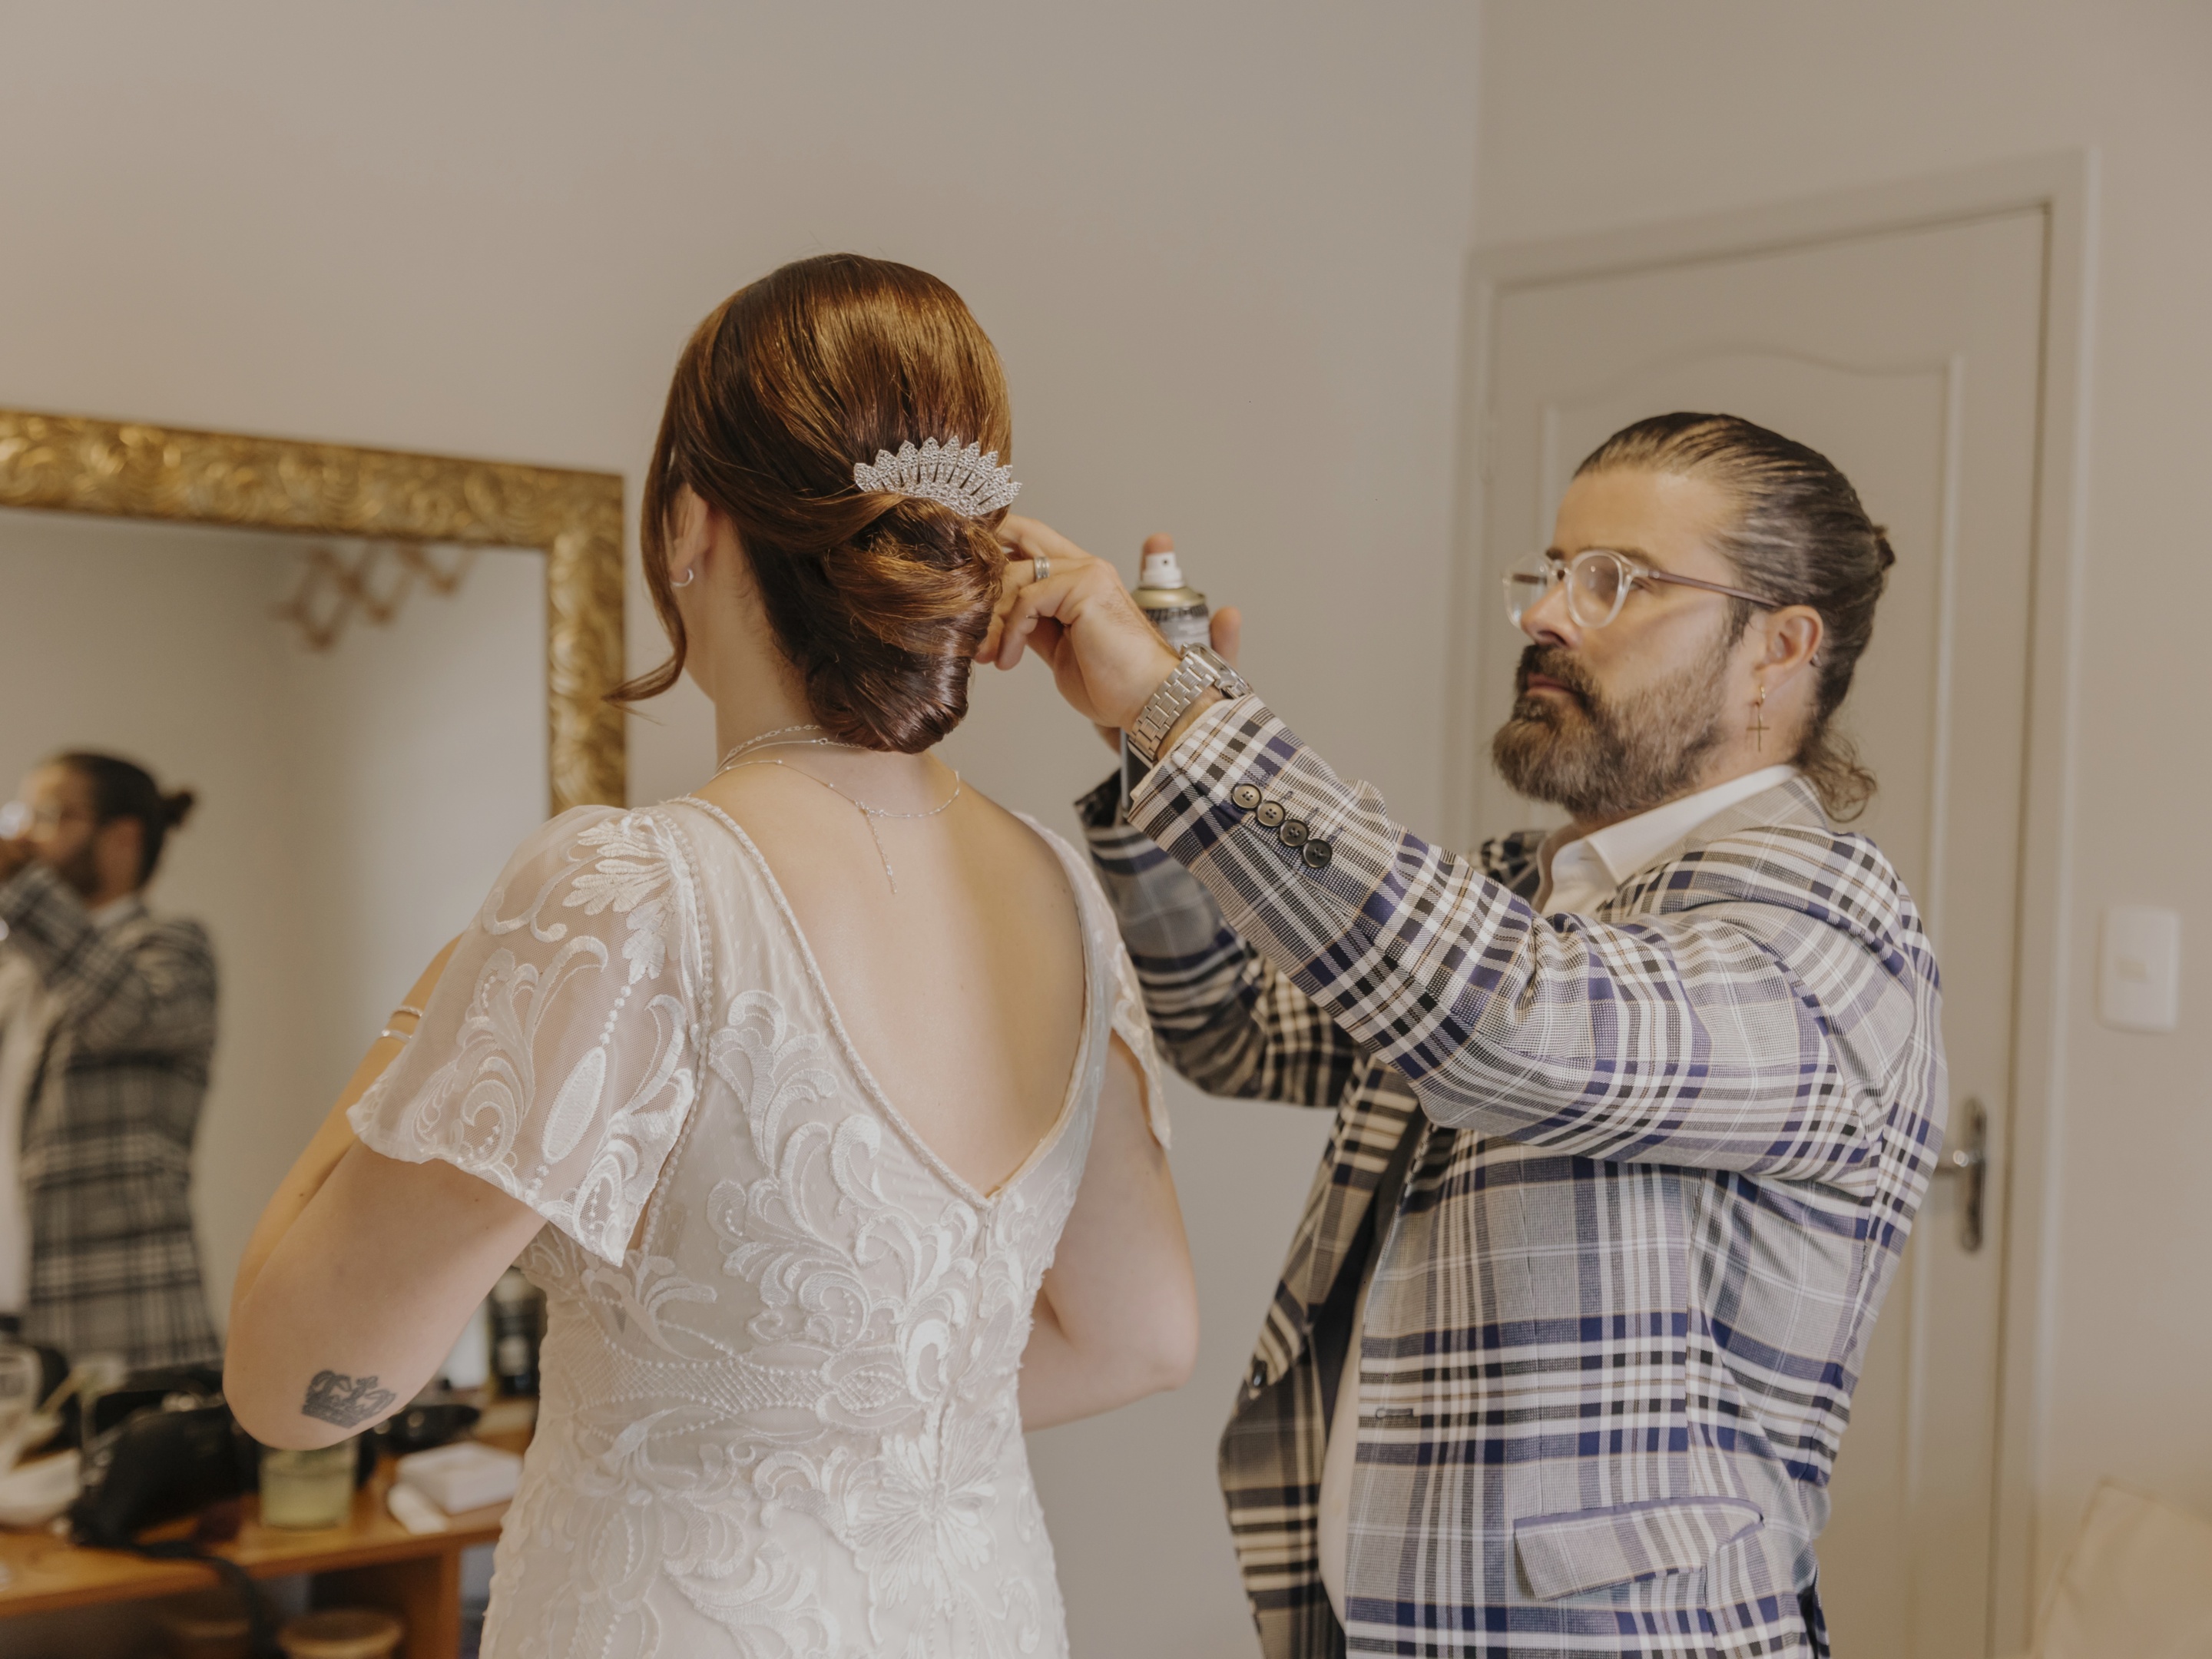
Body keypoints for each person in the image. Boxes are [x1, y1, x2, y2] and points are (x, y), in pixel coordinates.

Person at [224, 254, 1199, 1659]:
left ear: (688, 522)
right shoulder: (1064, 892)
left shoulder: (634, 894)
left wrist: (436, 1007)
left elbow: (294, 1386)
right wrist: (833, 1447)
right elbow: (1139, 1337)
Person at [982, 413, 1946, 1657]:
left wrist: (1186, 719)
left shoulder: (1829, 928)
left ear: (1780, 648)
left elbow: (1507, 1022)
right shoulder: (1521, 891)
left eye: (1615, 581)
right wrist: (1142, 750)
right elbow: (1233, 1026)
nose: (1546, 615)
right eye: (1553, 573)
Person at [0, 753, 218, 1369]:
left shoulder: (173, 947)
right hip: (17, 1317)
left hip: (128, 1312)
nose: (24, 836)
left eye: (47, 815)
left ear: (121, 837)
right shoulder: (16, 973)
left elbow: (127, 1013)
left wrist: (18, 886)